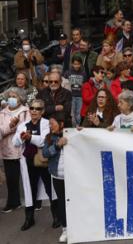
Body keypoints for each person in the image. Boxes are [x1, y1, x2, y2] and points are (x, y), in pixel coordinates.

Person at [15, 99, 50, 231]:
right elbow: (15, 142)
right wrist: (21, 136)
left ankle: (57, 217)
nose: (34, 111)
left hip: (44, 161)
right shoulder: (23, 124)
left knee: (49, 189)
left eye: (38, 109)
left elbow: (45, 141)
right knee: (30, 190)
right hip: (29, 162)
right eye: (32, 108)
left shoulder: (46, 123)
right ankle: (29, 218)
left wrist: (30, 138)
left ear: (43, 111)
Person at [0, 88, 29, 213]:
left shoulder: (25, 111)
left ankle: (33, 202)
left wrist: (16, 127)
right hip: (7, 150)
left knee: (28, 178)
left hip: (23, 150)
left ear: (20, 98)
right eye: (10, 96)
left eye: (15, 96)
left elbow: (26, 128)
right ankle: (13, 202)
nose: (12, 98)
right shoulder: (2, 113)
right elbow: (1, 131)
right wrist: (11, 126)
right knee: (11, 179)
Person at [41, 114, 67, 241]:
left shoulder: (72, 134)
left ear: (61, 124)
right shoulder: (49, 137)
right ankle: (65, 229)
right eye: (49, 124)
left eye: (52, 123)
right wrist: (57, 145)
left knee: (74, 202)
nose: (50, 126)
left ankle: (77, 227)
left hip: (73, 176)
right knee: (61, 202)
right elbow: (45, 153)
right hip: (57, 176)